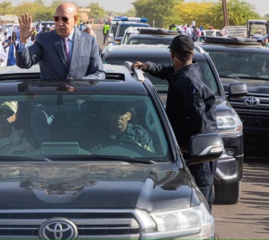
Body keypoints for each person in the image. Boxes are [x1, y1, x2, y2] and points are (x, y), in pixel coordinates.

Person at [132, 35, 218, 210]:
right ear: (191, 54)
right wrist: (147, 66)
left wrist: (189, 147)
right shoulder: (186, 71)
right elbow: (166, 71)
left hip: (198, 157)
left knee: (198, 203)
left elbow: (199, 119)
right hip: (192, 152)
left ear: (173, 55)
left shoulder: (188, 81)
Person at [16, 2, 105, 80]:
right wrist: (23, 40)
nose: (59, 23)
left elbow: (99, 74)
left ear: (75, 19)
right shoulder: (43, 40)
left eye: (64, 19)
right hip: (51, 97)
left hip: (79, 97)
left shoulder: (89, 41)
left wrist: (78, 84)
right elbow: (24, 63)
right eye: (56, 19)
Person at [82, 102, 154, 152]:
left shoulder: (139, 134)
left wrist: (146, 151)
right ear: (108, 115)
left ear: (129, 116)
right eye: (114, 113)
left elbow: (151, 156)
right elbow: (85, 156)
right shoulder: (95, 134)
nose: (118, 117)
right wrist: (91, 152)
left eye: (122, 113)